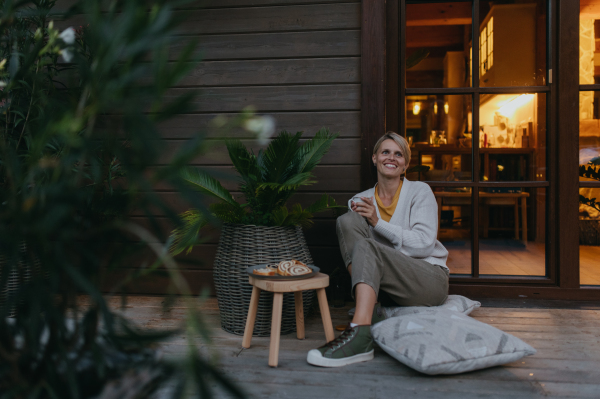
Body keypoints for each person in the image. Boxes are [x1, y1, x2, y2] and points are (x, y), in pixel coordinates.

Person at [307, 132, 450, 367]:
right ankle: (369, 311)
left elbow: (424, 245)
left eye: (398, 154)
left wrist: (377, 223)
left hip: (428, 279)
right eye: (385, 152)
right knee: (347, 220)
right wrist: (363, 222)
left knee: (367, 245)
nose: (391, 157)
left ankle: (359, 333)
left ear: (405, 164)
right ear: (375, 158)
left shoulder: (420, 191)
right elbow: (357, 245)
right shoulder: (361, 200)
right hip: (387, 286)